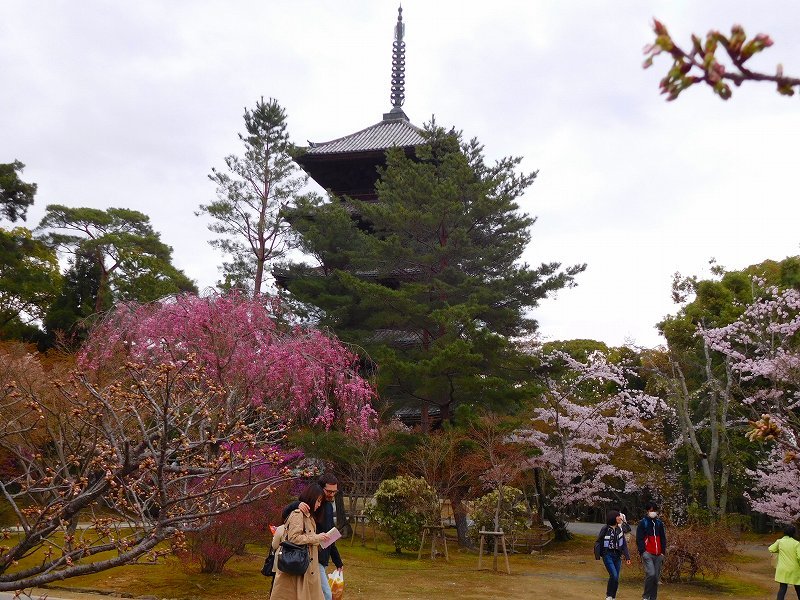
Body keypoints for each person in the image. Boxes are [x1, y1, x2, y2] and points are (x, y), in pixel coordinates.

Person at [283, 473, 344, 600]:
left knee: (314, 595)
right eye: (329, 491)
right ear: (320, 488)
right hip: (311, 558)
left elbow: (329, 536)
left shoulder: (327, 506)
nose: (332, 494)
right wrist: (296, 505)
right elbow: (287, 516)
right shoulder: (310, 506)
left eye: (335, 491)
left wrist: (337, 560)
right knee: (326, 595)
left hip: (322, 557)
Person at [270, 483, 330, 600]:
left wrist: (320, 541)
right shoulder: (298, 514)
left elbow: (307, 538)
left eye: (320, 502)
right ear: (311, 498)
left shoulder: (309, 516)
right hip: (299, 567)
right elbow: (294, 538)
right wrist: (317, 538)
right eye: (317, 501)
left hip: (307, 568)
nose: (318, 505)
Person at [596, 510, 632, 600]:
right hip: (608, 554)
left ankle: (613, 596)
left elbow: (623, 543)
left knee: (616, 577)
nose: (620, 518)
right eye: (618, 516)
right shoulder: (605, 528)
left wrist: (627, 557)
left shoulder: (620, 529)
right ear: (613, 518)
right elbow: (599, 541)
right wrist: (600, 553)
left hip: (618, 556)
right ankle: (609, 595)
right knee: (614, 575)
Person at [636, 501, 667, 600]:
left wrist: (662, 552)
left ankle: (653, 597)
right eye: (651, 510)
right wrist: (643, 551)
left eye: (654, 510)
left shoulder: (659, 523)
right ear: (647, 511)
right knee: (651, 573)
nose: (653, 512)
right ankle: (645, 596)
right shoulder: (643, 523)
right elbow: (639, 538)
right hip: (648, 553)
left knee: (656, 577)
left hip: (658, 554)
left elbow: (663, 538)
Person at [769, 525, 800, 600]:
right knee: (798, 588)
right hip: (794, 569)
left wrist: (779, 550)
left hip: (782, 569)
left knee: (782, 588)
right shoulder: (796, 543)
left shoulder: (779, 542)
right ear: (793, 533)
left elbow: (771, 549)